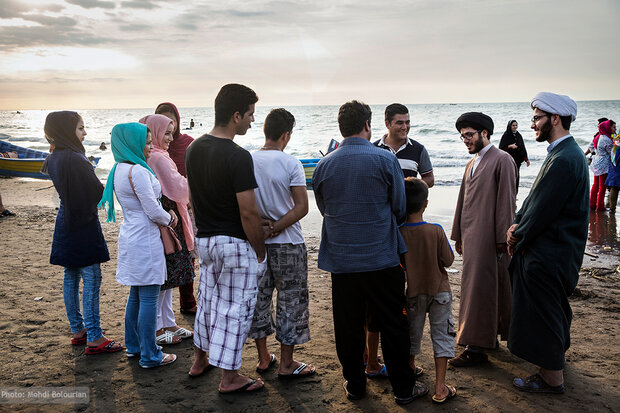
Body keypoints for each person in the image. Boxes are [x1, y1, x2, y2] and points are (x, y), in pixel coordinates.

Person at [313, 100, 423, 405]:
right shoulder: (385, 160)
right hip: (382, 258)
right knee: (393, 322)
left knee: (348, 324)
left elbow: (325, 209)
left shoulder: (324, 165)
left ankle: (355, 385)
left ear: (341, 128)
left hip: (343, 261)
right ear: (367, 125)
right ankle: (403, 388)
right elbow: (400, 208)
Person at [186, 84, 267, 394]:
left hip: (205, 239)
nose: (251, 121)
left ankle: (199, 359)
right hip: (233, 242)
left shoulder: (195, 148)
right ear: (235, 115)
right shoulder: (238, 156)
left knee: (207, 302)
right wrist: (259, 252)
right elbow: (248, 213)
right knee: (235, 309)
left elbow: (193, 198)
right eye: (249, 115)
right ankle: (230, 377)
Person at [507, 92, 589, 394]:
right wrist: (519, 221)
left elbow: (543, 208)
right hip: (556, 250)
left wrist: (516, 234)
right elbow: (536, 201)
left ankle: (552, 378)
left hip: (550, 252)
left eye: (537, 118)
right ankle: (554, 363)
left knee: (546, 312)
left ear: (555, 119)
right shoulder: (564, 153)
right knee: (553, 308)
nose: (532, 125)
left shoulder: (565, 158)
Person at [98, 122, 177, 368]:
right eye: (145, 142)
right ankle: (150, 354)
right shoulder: (139, 172)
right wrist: (170, 218)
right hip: (146, 240)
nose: (150, 145)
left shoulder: (119, 168)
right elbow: (152, 209)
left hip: (131, 234)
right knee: (149, 297)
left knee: (136, 296)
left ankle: (134, 346)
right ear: (132, 143)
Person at [44, 111, 120, 354]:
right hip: (83, 222)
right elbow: (97, 191)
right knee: (92, 277)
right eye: (80, 128)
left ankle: (78, 330)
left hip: (66, 219)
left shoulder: (54, 156)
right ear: (67, 131)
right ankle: (95, 337)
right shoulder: (76, 158)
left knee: (71, 274)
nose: (85, 133)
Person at [248, 108, 315, 378]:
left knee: (259, 300)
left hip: (256, 243)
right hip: (288, 242)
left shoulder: (247, 161)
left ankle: (264, 358)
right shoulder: (290, 163)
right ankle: (287, 363)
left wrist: (262, 229)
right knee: (292, 302)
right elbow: (301, 208)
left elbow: (242, 205)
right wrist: (276, 227)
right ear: (286, 135)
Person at [449, 112, 516, 367]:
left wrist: (502, 238)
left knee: (481, 291)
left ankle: (475, 349)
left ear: (485, 133)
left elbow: (507, 201)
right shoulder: (472, 162)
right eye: (462, 136)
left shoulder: (503, 159)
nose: (465, 140)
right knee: (480, 290)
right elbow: (462, 201)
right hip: (471, 236)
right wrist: (458, 234)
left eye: (469, 135)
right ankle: (486, 341)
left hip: (491, 238)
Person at [400, 177, 456, 404]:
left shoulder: (400, 232)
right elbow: (449, 260)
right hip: (440, 291)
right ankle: (441, 388)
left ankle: (411, 372)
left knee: (412, 336)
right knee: (442, 336)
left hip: (413, 293)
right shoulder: (436, 230)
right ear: (426, 204)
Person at [140, 114, 194, 346]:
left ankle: (168, 322)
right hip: (168, 218)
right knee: (166, 274)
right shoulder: (159, 158)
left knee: (169, 275)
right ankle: (161, 326)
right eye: (167, 133)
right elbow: (177, 188)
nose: (171, 138)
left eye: (172, 133)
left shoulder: (156, 155)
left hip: (169, 217)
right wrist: (192, 180)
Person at [155, 102, 197, 314]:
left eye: (172, 121)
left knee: (189, 253)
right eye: (164, 123)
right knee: (173, 256)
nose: (169, 128)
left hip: (188, 203)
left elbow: (197, 170)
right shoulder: (156, 152)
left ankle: (187, 302)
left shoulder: (188, 143)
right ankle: (166, 317)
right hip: (167, 209)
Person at [373, 103, 434, 187]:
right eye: (400, 123)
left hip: (408, 200)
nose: (404, 127)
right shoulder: (374, 149)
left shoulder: (419, 149)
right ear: (387, 124)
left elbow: (430, 179)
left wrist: (411, 187)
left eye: (407, 122)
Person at [588, 120, 615, 211]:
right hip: (603, 163)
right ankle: (600, 206)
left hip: (597, 161)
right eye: (613, 127)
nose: (614, 129)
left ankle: (592, 203)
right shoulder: (607, 139)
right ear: (607, 127)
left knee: (596, 184)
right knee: (602, 186)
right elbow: (611, 152)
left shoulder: (598, 136)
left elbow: (591, 147)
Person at [499, 120, 530, 191]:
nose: (515, 127)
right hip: (508, 160)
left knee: (516, 176)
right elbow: (501, 148)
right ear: (510, 126)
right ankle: (507, 193)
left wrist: (526, 159)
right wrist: (510, 146)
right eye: (513, 125)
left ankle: (515, 194)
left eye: (516, 125)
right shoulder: (506, 135)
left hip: (517, 160)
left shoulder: (519, 135)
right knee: (509, 176)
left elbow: (522, 147)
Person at [605, 121, 619, 213]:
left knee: (614, 186)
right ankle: (612, 207)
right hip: (617, 165)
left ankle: (611, 207)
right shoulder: (617, 140)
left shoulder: (616, 139)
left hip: (614, 164)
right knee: (615, 187)